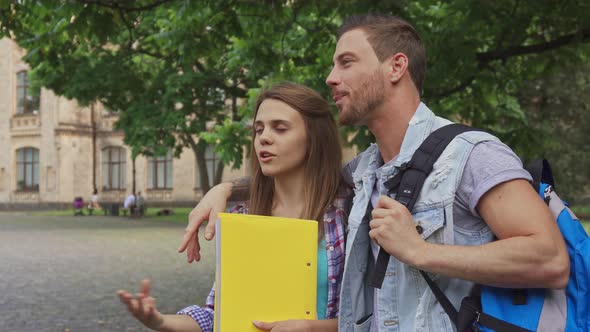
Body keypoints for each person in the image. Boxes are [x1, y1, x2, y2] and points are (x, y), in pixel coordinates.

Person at [180, 14, 570, 332]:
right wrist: (225, 188)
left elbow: (549, 260)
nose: (331, 77)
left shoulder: (471, 153)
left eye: (346, 62)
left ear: (396, 66)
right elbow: (302, 175)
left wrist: (420, 251)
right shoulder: (366, 171)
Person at [118, 82, 349, 332]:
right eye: (258, 130)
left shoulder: (347, 214)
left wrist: (313, 328)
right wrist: (160, 321)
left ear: (315, 138)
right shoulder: (243, 214)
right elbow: (217, 316)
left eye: (280, 129)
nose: (264, 139)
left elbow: (375, 317)